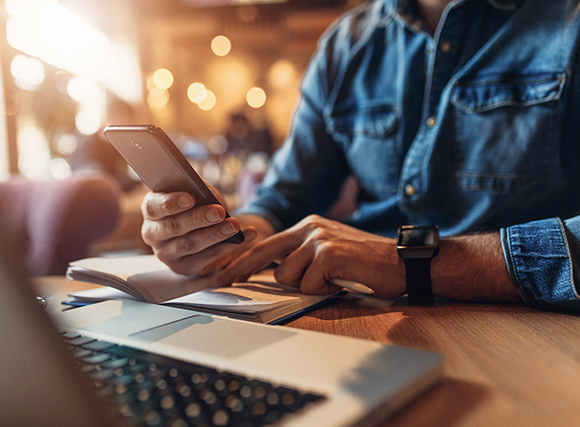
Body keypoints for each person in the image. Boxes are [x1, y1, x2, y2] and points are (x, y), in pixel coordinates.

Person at [140, 0, 580, 311]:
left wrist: (413, 261)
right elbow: (283, 200)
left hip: (526, 327)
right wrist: (218, 236)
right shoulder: (344, 46)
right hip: (362, 308)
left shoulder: (568, 21)